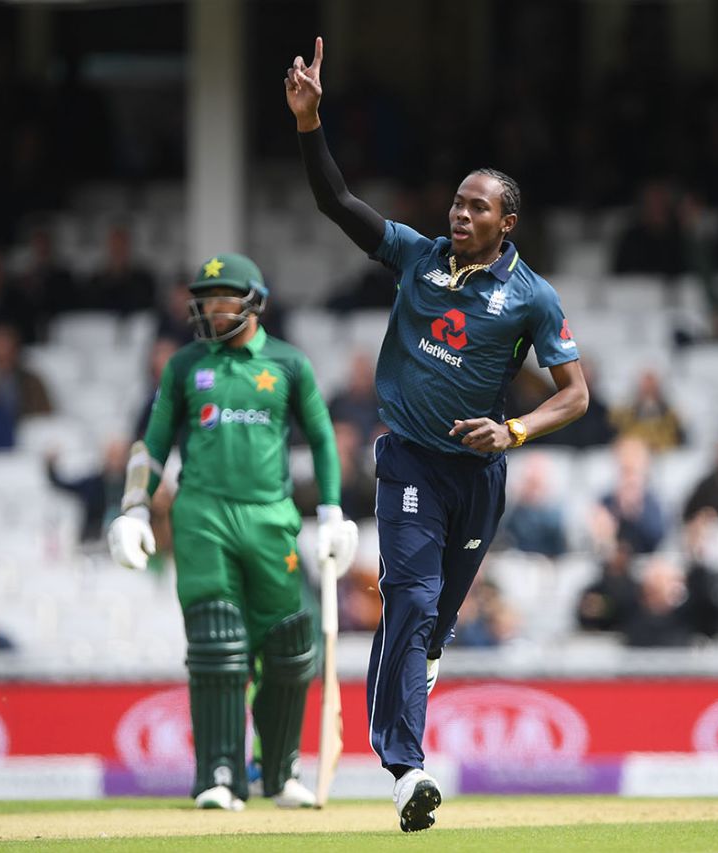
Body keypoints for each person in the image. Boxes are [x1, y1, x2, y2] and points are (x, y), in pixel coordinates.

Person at [287, 37, 589, 833]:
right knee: (411, 600)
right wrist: (310, 123)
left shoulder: (532, 297)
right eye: (457, 202)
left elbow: (576, 395)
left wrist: (514, 429)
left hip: (479, 478)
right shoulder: (416, 256)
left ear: (506, 222)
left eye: (476, 207)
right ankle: (406, 768)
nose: (459, 214)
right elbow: (336, 202)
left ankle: (405, 715)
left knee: (431, 628)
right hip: (411, 461)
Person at [106, 252, 358, 812]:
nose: (213, 310)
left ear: (255, 303)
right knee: (217, 642)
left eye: (224, 299)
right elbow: (152, 443)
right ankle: (217, 774)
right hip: (203, 516)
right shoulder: (184, 365)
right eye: (205, 301)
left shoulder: (289, 363)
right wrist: (135, 509)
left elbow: (322, 439)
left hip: (271, 516)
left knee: (290, 648)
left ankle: (279, 772)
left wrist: (332, 513)